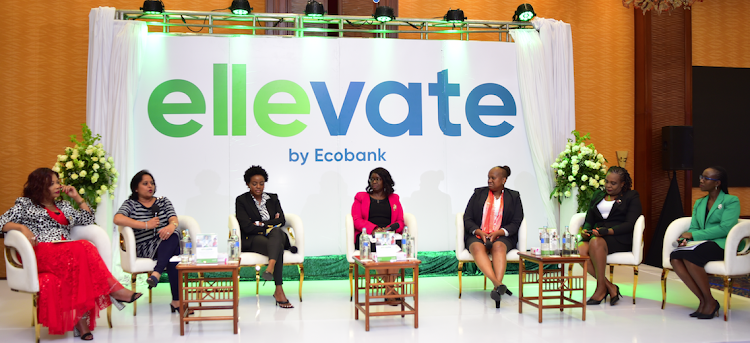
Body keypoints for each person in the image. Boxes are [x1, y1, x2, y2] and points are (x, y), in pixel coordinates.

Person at [0, 168, 141, 340]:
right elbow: (1, 224)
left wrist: (77, 198)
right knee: (84, 246)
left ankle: (81, 323)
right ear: (39, 186)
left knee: (77, 261)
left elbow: (88, 220)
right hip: (40, 252)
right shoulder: (24, 204)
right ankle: (114, 289)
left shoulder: (64, 206)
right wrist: (21, 227)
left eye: (58, 182)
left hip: (66, 253)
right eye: (52, 183)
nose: (58, 186)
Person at [670, 166, 740, 319]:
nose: (701, 180)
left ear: (717, 183)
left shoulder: (731, 201)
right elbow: (694, 226)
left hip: (723, 244)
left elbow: (725, 228)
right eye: (701, 177)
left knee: (692, 256)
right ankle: (704, 300)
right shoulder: (699, 203)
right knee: (675, 256)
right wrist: (686, 238)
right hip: (703, 243)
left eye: (706, 178)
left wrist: (693, 235)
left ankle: (709, 301)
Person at [113, 170, 181, 312]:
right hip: (145, 246)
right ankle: (176, 301)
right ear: (136, 188)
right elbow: (117, 218)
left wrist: (170, 226)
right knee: (174, 253)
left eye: (152, 183)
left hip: (165, 241)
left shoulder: (163, 201)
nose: (150, 186)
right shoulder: (131, 204)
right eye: (145, 183)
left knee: (173, 238)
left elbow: (174, 219)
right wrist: (146, 225)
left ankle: (157, 275)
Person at [577, 166, 642, 306]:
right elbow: (589, 220)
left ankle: (600, 289)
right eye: (607, 182)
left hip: (618, 237)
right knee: (580, 248)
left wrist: (609, 231)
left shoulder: (631, 196)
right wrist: (586, 230)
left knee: (595, 242)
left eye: (613, 183)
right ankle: (610, 287)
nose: (608, 186)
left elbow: (630, 223)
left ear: (622, 184)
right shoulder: (598, 195)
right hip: (597, 235)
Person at [235, 165, 296, 309]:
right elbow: (246, 226)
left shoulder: (273, 198)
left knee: (276, 233)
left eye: (261, 183)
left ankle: (270, 269)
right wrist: (269, 225)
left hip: (273, 235)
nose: (258, 187)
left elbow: (281, 220)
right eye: (254, 184)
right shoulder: (242, 200)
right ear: (248, 184)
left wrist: (261, 223)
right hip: (253, 239)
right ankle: (279, 290)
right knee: (278, 245)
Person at [463, 166, 524, 307]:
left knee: (498, 247)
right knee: (477, 248)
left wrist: (499, 232)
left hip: (502, 235)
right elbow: (467, 218)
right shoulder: (478, 193)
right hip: (479, 234)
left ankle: (497, 288)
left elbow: (516, 221)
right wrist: (478, 232)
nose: (489, 181)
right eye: (488, 177)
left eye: (493, 178)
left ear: (503, 180)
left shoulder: (514, 196)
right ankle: (498, 284)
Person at [351, 167, 405, 247]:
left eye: (378, 179)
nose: (374, 182)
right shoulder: (360, 197)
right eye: (372, 179)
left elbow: (400, 221)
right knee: (373, 246)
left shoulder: (394, 198)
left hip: (388, 235)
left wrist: (388, 230)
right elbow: (357, 220)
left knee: (401, 244)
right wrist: (373, 229)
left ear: (385, 181)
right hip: (368, 235)